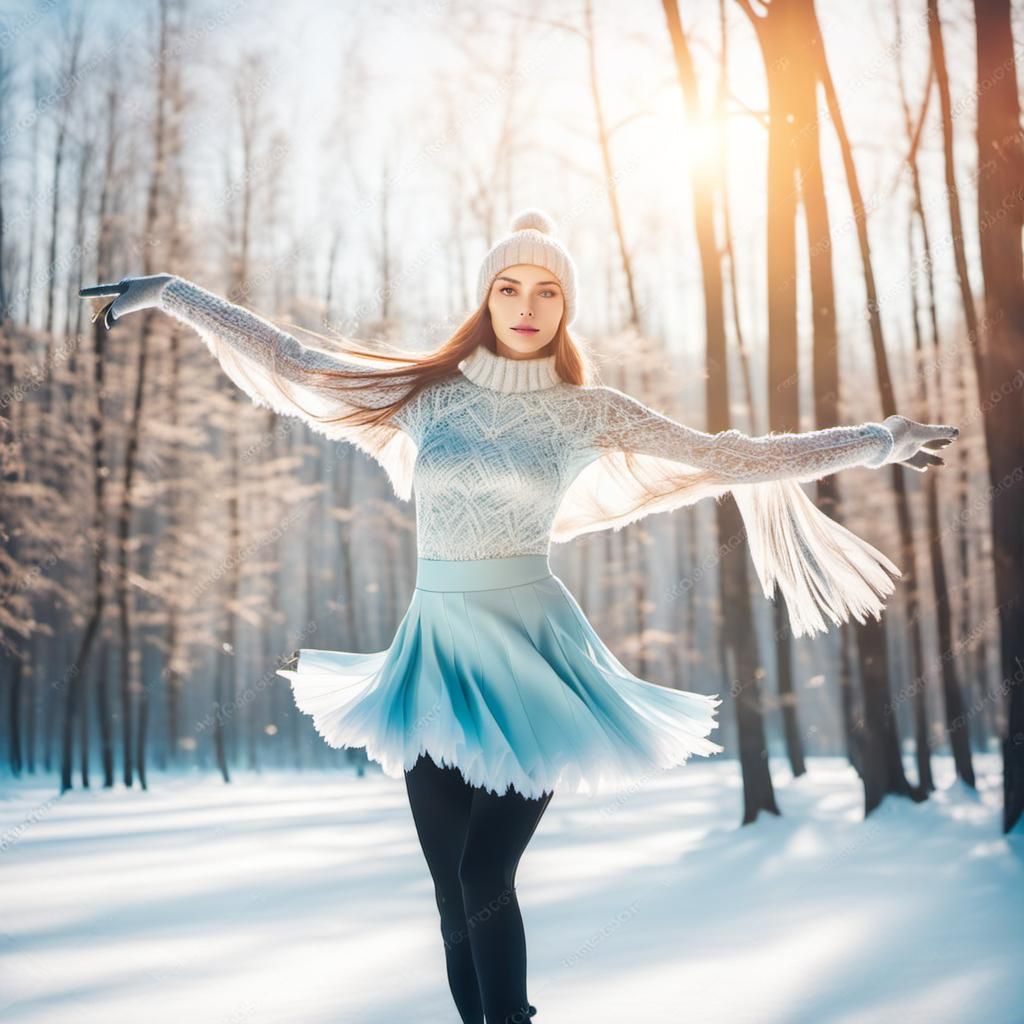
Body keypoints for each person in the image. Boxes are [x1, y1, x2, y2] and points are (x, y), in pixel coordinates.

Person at [80, 208, 958, 1023]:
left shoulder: (588, 413)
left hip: (534, 662)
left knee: (482, 870)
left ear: (566, 307)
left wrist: (879, 439)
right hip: (431, 659)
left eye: (547, 292)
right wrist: (172, 295)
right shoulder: (427, 395)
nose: (527, 306)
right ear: (486, 297)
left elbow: (727, 456)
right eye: (510, 287)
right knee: (445, 884)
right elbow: (293, 358)